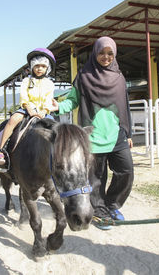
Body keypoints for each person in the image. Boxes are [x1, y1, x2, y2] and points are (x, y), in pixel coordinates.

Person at [51, 36, 134, 225]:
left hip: (117, 134)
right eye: (102, 53)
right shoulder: (84, 76)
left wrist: (128, 133)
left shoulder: (119, 77)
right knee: (96, 178)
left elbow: (125, 106)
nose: (106, 57)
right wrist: (59, 107)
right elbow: (73, 100)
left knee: (126, 171)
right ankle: (99, 209)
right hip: (93, 136)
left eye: (110, 53)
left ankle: (112, 204)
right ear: (95, 53)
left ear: (114, 55)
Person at [0, 48, 56, 165]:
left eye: (43, 66)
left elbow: (49, 99)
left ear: (47, 68)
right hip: (27, 109)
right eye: (37, 66)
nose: (39, 69)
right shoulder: (27, 81)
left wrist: (45, 110)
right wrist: (30, 109)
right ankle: (1, 150)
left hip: (44, 111)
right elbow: (24, 97)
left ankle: (57, 156)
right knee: (13, 120)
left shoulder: (50, 83)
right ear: (32, 67)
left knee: (55, 128)